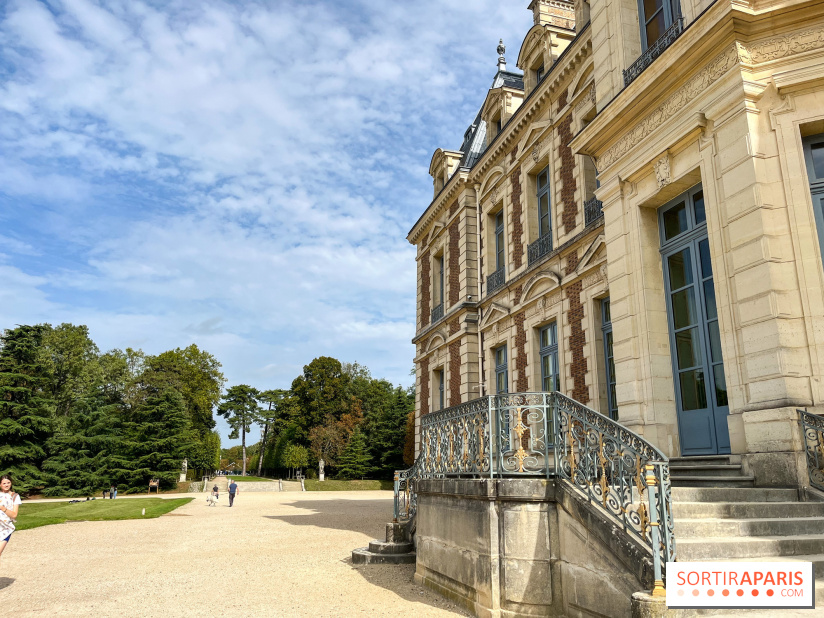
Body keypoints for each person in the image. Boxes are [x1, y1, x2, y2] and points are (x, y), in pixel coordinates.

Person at [0, 474, 21, 567]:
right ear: (0, 484)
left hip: (6, 528)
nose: (6, 485)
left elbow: (14, 515)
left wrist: (2, 508)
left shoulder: (15, 496)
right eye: (4, 483)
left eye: (8, 483)